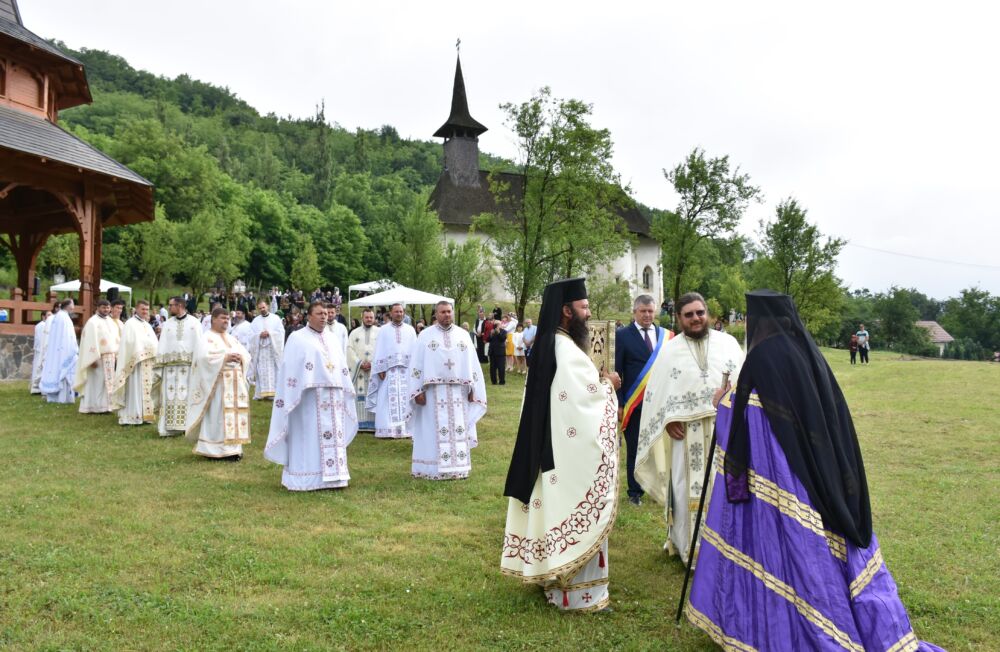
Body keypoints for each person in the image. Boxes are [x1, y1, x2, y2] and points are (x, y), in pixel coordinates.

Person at [685, 290, 943, 652]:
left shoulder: (761, 357)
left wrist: (723, 402)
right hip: (820, 472)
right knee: (828, 545)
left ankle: (800, 623)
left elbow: (752, 416)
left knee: (794, 547)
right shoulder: (806, 352)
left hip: (783, 476)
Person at [501, 277, 621, 612]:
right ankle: (580, 594)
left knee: (551, 509)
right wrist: (608, 386)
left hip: (548, 447)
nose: (588, 313)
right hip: (565, 453)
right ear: (566, 311)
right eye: (583, 307)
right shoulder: (566, 350)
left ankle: (551, 579)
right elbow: (584, 403)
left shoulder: (549, 343)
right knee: (570, 506)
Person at [635, 292, 744, 561]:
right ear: (679, 318)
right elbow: (656, 394)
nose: (696, 318)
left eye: (700, 313)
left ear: (707, 314)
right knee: (685, 491)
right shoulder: (670, 350)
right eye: (689, 315)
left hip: (724, 430)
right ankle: (689, 549)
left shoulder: (728, 344)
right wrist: (667, 420)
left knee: (723, 489)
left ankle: (725, 551)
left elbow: (745, 384)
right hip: (687, 433)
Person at [264, 301, 359, 491]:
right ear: (309, 316)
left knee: (333, 436)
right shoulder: (297, 338)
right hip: (308, 400)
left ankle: (336, 477)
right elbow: (289, 369)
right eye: (319, 313)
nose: (324, 316)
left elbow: (340, 366)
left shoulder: (332, 338)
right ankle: (308, 478)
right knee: (310, 438)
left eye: (325, 313)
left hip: (333, 399)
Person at [407, 301, 487, 480]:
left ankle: (458, 467)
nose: (447, 315)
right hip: (432, 394)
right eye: (443, 312)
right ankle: (432, 469)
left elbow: (472, 364)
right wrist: (416, 391)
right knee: (432, 430)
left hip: (458, 393)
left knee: (458, 427)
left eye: (449, 312)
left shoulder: (463, 335)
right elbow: (416, 365)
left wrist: (473, 388)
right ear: (436, 314)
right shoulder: (425, 336)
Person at [615, 294, 673, 507]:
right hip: (635, 404)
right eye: (643, 311)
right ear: (635, 312)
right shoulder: (622, 335)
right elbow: (617, 372)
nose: (648, 315)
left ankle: (661, 488)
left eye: (651, 311)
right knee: (636, 449)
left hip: (661, 404)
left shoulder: (666, 336)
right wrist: (620, 403)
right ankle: (635, 492)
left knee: (661, 447)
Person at [185, 307, 251, 461]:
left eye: (228, 319)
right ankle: (214, 449)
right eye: (222, 318)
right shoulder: (206, 338)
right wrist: (224, 358)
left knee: (234, 415)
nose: (226, 321)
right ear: (213, 319)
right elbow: (202, 359)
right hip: (218, 384)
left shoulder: (231, 337)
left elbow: (246, 355)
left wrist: (240, 358)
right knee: (218, 416)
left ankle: (234, 449)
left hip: (235, 384)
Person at [367, 302, 417, 439]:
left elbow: (415, 351)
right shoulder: (383, 330)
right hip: (389, 371)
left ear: (404, 312)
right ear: (391, 313)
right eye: (396, 312)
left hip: (406, 371)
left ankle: (407, 429)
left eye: (401, 311)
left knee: (406, 398)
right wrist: (379, 369)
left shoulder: (410, 330)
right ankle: (388, 429)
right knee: (387, 400)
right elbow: (379, 350)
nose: (399, 314)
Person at [153, 296, 201, 437]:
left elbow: (198, 344)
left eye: (171, 305)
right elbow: (162, 345)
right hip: (170, 369)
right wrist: (160, 364)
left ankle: (185, 426)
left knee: (186, 396)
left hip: (188, 368)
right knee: (169, 397)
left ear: (179, 305)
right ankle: (167, 429)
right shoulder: (167, 324)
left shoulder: (194, 323)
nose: (169, 308)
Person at [110, 300, 158, 425]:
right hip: (135, 364)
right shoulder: (130, 324)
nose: (145, 311)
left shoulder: (147, 325)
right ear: (136, 309)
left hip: (148, 363)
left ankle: (145, 415)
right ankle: (132, 416)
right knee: (135, 390)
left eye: (147, 309)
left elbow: (153, 342)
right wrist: (141, 352)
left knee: (147, 390)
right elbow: (129, 344)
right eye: (143, 309)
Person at [74, 299, 120, 414]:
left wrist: (117, 354)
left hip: (110, 357)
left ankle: (105, 406)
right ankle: (91, 406)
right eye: (104, 307)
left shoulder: (110, 321)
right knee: (95, 383)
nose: (106, 310)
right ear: (98, 308)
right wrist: (91, 359)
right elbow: (88, 341)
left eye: (108, 307)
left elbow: (116, 339)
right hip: (97, 358)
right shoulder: (92, 322)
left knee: (106, 383)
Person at [40, 298, 78, 404]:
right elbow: (68, 336)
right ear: (69, 306)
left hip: (57, 350)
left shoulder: (58, 316)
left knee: (57, 371)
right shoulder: (64, 318)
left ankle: (57, 397)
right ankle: (63, 398)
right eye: (73, 304)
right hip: (63, 350)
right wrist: (73, 348)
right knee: (63, 371)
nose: (74, 306)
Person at [347, 308, 379, 432]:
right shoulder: (354, 333)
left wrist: (373, 363)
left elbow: (383, 350)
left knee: (373, 394)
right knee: (360, 396)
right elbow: (349, 350)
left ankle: (374, 422)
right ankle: (360, 423)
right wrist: (359, 363)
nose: (369, 319)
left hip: (374, 370)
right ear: (362, 317)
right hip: (359, 370)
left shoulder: (380, 332)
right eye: (367, 317)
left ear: (374, 318)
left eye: (371, 317)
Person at [249, 300, 284, 400]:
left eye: (263, 307)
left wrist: (270, 333)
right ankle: (260, 394)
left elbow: (281, 332)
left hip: (272, 350)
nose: (262, 310)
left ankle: (274, 394)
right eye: (260, 308)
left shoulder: (275, 318)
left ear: (267, 306)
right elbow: (251, 335)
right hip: (261, 351)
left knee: (273, 371)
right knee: (261, 372)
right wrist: (259, 335)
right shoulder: (255, 321)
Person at [29, 309, 52, 394]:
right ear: (43, 316)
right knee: (38, 368)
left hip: (44, 349)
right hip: (41, 350)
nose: (50, 317)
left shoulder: (47, 325)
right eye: (48, 315)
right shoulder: (41, 325)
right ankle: (36, 387)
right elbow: (41, 339)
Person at [487, 319, 507, 385]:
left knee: (501, 368)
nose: (496, 326)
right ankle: (494, 381)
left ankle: (502, 381)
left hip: (500, 353)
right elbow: (488, 340)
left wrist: (498, 333)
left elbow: (502, 339)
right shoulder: (492, 331)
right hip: (492, 352)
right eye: (495, 324)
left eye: (498, 324)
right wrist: (490, 334)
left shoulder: (504, 331)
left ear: (500, 325)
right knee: (492, 368)